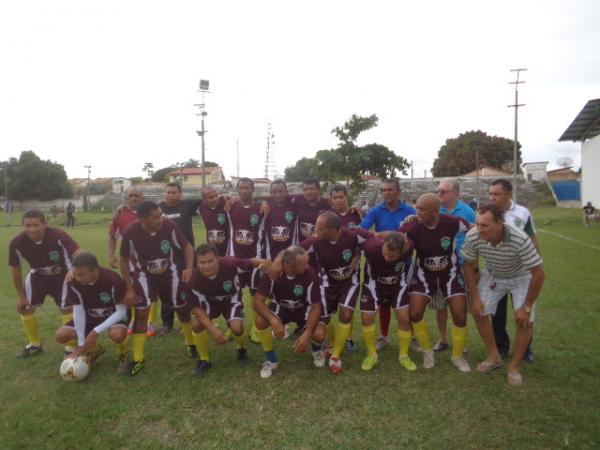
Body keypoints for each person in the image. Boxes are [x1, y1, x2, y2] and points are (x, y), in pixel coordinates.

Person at [462, 204, 545, 386]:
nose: (479, 229)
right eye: (477, 224)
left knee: (523, 319)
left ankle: (514, 367)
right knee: (478, 310)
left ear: (500, 223)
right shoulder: (474, 235)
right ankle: (494, 356)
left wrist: (527, 306)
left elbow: (539, 274)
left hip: (521, 277)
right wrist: (475, 298)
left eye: (485, 225)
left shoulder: (519, 238)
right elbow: (467, 265)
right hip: (494, 274)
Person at [119, 201, 195, 376]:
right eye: (156, 216)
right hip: (144, 277)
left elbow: (188, 248)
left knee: (182, 310)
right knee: (142, 314)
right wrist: (129, 287)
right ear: (144, 218)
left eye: (161, 214)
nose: (161, 218)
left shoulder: (168, 225)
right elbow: (123, 259)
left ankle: (191, 344)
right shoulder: (131, 232)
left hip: (170, 275)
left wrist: (189, 268)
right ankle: (138, 358)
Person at [398, 194, 471, 372]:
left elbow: (475, 229)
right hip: (424, 274)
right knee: (414, 313)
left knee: (460, 315)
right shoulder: (413, 227)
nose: (417, 212)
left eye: (422, 209)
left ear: (435, 211)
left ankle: (457, 356)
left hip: (450, 273)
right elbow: (401, 243)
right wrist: (403, 240)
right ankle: (427, 350)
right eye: (417, 208)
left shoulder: (453, 222)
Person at [295, 211, 373, 374]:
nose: (316, 230)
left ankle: (335, 355)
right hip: (327, 283)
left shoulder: (352, 235)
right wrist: (275, 263)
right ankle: (331, 345)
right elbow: (294, 251)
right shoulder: (316, 242)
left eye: (320, 228)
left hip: (349, 282)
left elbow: (374, 239)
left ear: (333, 230)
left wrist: (358, 253)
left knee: (345, 315)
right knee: (322, 320)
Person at [186, 244, 270, 376]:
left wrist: (267, 263)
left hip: (231, 299)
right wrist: (214, 331)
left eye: (210, 261)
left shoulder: (230, 263)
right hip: (209, 302)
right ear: (197, 262)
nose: (206, 266)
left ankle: (241, 348)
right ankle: (203, 359)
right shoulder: (192, 278)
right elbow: (196, 308)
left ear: (218, 259)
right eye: (202, 262)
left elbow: (251, 262)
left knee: (237, 328)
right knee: (196, 324)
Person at [9, 210, 81, 358]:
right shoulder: (17, 243)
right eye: (27, 225)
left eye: (36, 225)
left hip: (63, 274)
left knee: (66, 307)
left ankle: (70, 347)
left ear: (45, 224)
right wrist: (21, 296)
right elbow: (16, 270)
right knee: (25, 308)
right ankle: (34, 345)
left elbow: (77, 252)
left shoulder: (58, 235)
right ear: (22, 225)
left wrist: (74, 269)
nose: (32, 229)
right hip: (38, 274)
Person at [253, 246, 326, 378]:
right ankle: (271, 360)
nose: (307, 266)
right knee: (260, 321)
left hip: (304, 309)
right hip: (281, 307)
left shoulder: (310, 274)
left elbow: (316, 306)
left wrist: (308, 334)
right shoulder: (273, 273)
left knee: (319, 335)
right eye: (303, 264)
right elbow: (258, 301)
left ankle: (316, 351)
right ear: (289, 265)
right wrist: (273, 320)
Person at [360, 178, 415, 351]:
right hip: (382, 263)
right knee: (384, 302)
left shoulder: (409, 211)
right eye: (384, 190)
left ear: (398, 192)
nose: (386, 193)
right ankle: (384, 337)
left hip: (404, 263)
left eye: (390, 190)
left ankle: (411, 337)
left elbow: (413, 235)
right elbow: (363, 229)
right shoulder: (376, 210)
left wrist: (380, 234)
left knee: (407, 301)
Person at [488, 179, 539, 362]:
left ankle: (525, 349)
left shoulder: (523, 213)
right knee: (497, 314)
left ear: (509, 194)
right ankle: (501, 347)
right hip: (496, 273)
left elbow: (532, 239)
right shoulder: (488, 213)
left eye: (496, 194)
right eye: (491, 194)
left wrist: (536, 265)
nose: (492, 197)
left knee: (524, 313)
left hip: (521, 274)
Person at [55, 252, 129, 372]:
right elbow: (78, 312)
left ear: (95, 270)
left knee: (117, 335)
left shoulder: (113, 279)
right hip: (89, 316)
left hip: (113, 315)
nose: (78, 278)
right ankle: (92, 350)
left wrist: (96, 331)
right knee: (61, 335)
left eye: (82, 275)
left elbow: (121, 311)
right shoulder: (73, 281)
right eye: (76, 274)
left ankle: (122, 355)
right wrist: (80, 343)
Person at [430, 178, 475, 353]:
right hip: (439, 266)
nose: (439, 194)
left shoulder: (467, 211)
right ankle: (443, 339)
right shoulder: (434, 211)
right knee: (440, 306)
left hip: (463, 265)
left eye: (443, 191)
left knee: (460, 306)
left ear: (455, 193)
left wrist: (475, 266)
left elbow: (475, 238)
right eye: (438, 191)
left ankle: (461, 341)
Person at [359, 233, 414, 371]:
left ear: (402, 251)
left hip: (397, 285)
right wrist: (355, 256)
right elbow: (354, 236)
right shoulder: (371, 247)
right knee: (366, 318)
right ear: (383, 245)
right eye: (385, 254)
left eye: (392, 256)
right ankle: (372, 354)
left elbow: (406, 230)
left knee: (404, 318)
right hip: (373, 285)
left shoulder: (408, 247)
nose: (387, 258)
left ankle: (404, 355)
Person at [108, 187, 158, 337]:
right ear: (126, 198)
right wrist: (111, 255)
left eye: (137, 195)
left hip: (151, 259)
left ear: (143, 197)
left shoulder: (150, 213)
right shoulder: (120, 214)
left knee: (151, 291)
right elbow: (112, 236)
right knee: (133, 290)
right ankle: (133, 320)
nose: (134, 198)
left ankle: (151, 322)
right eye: (131, 196)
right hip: (128, 262)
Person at [157, 182, 202, 336]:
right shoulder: (158, 208)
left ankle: (190, 321)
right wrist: (120, 208)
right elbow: (136, 210)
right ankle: (167, 323)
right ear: (165, 193)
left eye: (174, 192)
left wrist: (227, 198)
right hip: (166, 256)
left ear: (180, 194)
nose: (171, 195)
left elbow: (210, 199)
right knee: (166, 290)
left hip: (186, 255)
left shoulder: (188, 205)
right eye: (168, 192)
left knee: (190, 287)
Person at [227, 177, 267, 343]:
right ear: (237, 190)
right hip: (235, 258)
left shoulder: (261, 208)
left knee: (254, 294)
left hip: (255, 259)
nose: (244, 190)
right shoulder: (230, 206)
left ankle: (256, 329)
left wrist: (265, 201)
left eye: (247, 188)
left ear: (253, 190)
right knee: (234, 294)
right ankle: (234, 326)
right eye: (241, 188)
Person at [329, 184, 362, 351]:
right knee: (327, 308)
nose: (338, 200)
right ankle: (332, 340)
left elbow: (362, 240)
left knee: (347, 308)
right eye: (334, 197)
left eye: (341, 197)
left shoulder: (355, 215)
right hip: (331, 271)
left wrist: (356, 257)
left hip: (350, 269)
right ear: (330, 199)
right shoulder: (327, 216)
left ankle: (348, 338)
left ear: (346, 197)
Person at [197, 186, 230, 256]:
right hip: (212, 247)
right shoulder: (200, 208)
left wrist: (231, 198)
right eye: (211, 197)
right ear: (204, 199)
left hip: (227, 247)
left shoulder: (225, 202)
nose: (215, 199)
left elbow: (236, 199)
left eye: (216, 196)